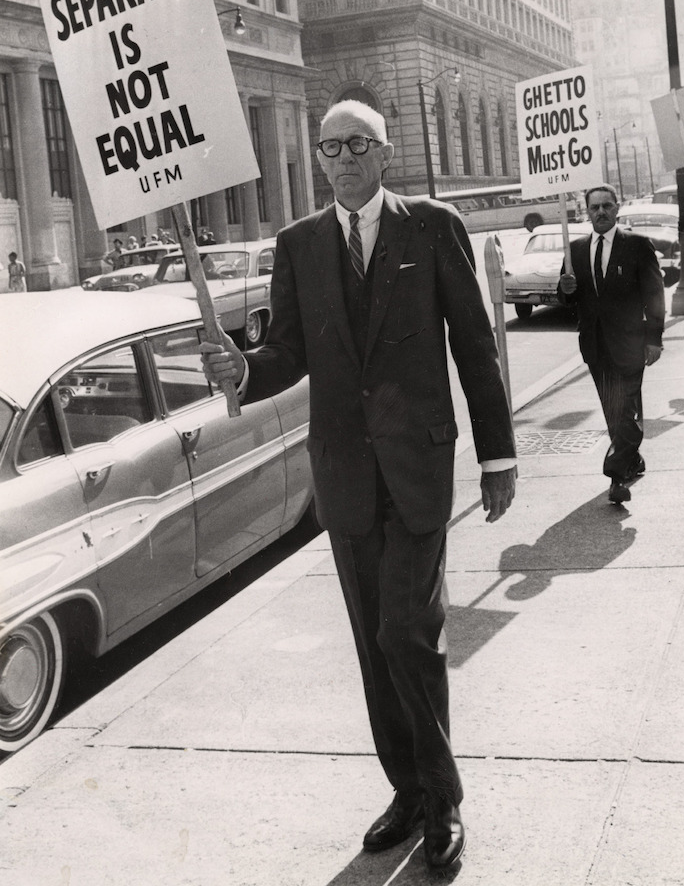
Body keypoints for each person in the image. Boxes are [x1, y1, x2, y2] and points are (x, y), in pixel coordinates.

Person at [200, 100, 517, 869]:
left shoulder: (432, 225)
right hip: (343, 475)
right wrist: (242, 369)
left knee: (406, 631)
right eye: (328, 147)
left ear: (384, 152)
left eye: (355, 144)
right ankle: (406, 792)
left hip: (416, 470)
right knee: (373, 646)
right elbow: (288, 352)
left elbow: (474, 345)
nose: (340, 159)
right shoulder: (298, 244)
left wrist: (497, 455)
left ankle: (441, 800)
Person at [558, 184, 665, 504]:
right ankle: (632, 460)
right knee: (613, 411)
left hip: (631, 343)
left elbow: (654, 295)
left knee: (626, 411)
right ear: (587, 212)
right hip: (595, 345)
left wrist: (654, 339)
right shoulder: (575, 251)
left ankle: (616, 475)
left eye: (607, 206)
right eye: (595, 207)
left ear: (617, 208)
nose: (601, 212)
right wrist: (565, 289)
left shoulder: (637, 245)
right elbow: (567, 299)